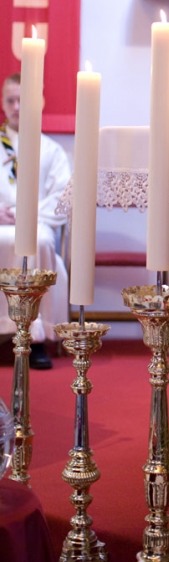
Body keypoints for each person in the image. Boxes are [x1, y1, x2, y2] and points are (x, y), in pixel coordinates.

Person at [0, 73, 71, 369]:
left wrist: (26, 216)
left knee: (38, 241)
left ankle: (36, 336)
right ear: (3, 104)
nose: (17, 106)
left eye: (22, 100)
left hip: (37, 222)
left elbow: (63, 197)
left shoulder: (51, 150)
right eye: (10, 100)